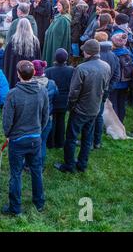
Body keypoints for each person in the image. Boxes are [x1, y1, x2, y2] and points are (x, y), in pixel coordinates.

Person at [54, 39, 111, 173]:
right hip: (95, 108)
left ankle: (69, 166)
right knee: (87, 138)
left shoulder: (81, 68)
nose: (82, 51)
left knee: (71, 138)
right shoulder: (106, 66)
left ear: (88, 52)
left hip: (80, 109)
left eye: (84, 49)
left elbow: (73, 92)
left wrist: (71, 106)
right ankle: (82, 164)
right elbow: (106, 88)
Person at [2, 60, 48, 216]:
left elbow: (7, 120)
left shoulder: (14, 94)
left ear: (18, 74)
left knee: (16, 173)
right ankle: (39, 202)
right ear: (33, 73)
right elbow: (45, 115)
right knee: (36, 170)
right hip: (34, 138)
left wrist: (7, 134)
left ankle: (15, 208)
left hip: (19, 139)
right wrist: (38, 130)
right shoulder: (40, 91)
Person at [92, 32, 120, 150]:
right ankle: (97, 141)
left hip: (94, 90)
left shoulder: (96, 55)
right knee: (99, 115)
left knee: (91, 115)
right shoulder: (113, 55)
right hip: (106, 89)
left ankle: (89, 140)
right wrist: (109, 88)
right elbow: (117, 75)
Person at [45, 48, 74, 149]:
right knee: (61, 121)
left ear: (55, 59)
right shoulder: (71, 70)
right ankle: (60, 143)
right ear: (66, 59)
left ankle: (50, 143)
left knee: (52, 121)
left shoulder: (48, 71)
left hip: (53, 100)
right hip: (65, 100)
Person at [32, 60, 58, 167]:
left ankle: (29, 164)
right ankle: (40, 165)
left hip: (32, 119)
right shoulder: (51, 83)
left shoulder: (30, 84)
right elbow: (56, 95)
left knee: (31, 143)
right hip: (47, 118)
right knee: (42, 142)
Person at [4, 18, 41, 89]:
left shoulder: (13, 41)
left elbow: (7, 61)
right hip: (29, 75)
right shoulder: (35, 41)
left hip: (15, 75)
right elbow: (38, 59)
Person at [110, 33, 133, 123]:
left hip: (115, 83)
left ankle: (114, 123)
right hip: (126, 82)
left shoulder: (113, 54)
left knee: (114, 103)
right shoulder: (129, 52)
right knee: (122, 103)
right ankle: (121, 121)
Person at [42, 0, 72, 66]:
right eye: (57, 5)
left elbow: (59, 36)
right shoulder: (58, 17)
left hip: (55, 45)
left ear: (64, 6)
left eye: (59, 5)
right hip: (50, 42)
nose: (57, 6)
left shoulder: (63, 19)